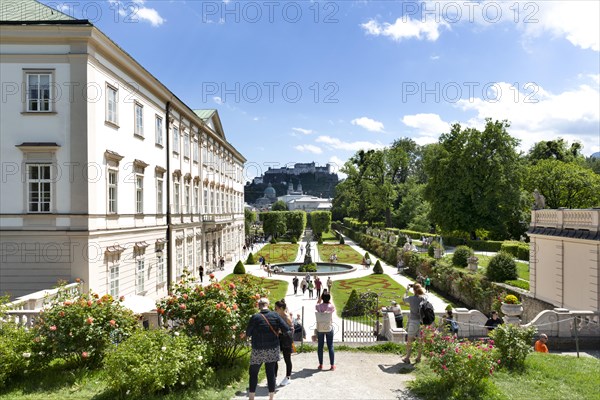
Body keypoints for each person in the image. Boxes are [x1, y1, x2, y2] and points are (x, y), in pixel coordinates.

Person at [245, 298, 291, 400]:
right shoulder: (275, 316)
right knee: (270, 373)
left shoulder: (255, 317)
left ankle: (251, 397)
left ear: (258, 306)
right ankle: (271, 397)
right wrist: (277, 331)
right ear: (268, 305)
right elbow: (286, 329)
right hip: (272, 348)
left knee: (253, 373)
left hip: (258, 349)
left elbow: (248, 333)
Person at [401, 283, 426, 364]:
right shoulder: (423, 299)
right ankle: (418, 357)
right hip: (422, 322)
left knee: (409, 340)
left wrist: (407, 289)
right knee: (420, 340)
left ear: (414, 290)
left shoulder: (411, 298)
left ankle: (407, 358)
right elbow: (425, 295)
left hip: (413, 321)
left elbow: (403, 298)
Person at [274, 299, 294, 386]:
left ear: (281, 308)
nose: (274, 310)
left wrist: (282, 332)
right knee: (274, 358)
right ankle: (274, 377)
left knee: (287, 358)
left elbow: (291, 329)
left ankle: (288, 377)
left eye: (276, 308)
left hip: (286, 340)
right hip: (278, 339)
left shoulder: (287, 317)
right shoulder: (276, 316)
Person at [315, 293, 335, 370]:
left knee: (320, 346)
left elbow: (317, 304)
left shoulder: (318, 306)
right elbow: (331, 306)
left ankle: (321, 364)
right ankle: (332, 365)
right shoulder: (331, 306)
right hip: (328, 327)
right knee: (330, 346)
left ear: (322, 298)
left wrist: (320, 299)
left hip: (320, 328)